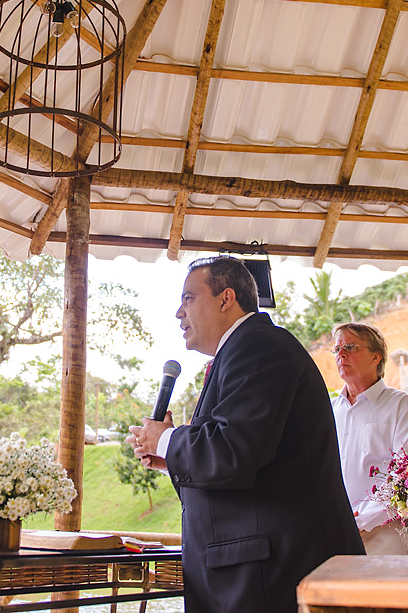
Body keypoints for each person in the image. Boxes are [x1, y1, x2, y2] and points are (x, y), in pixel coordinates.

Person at [130, 256, 363, 613]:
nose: (179, 312)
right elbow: (244, 459)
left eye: (189, 298)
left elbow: (233, 452)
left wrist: (168, 439)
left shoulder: (258, 346)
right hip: (257, 570)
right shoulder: (241, 351)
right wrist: (169, 457)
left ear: (226, 299)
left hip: (273, 573)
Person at [329, 323, 408, 555]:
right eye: (337, 349)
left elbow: (407, 475)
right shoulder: (328, 409)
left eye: (350, 347)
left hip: (389, 538)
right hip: (337, 535)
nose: (341, 354)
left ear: (376, 357)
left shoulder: (402, 406)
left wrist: (361, 519)